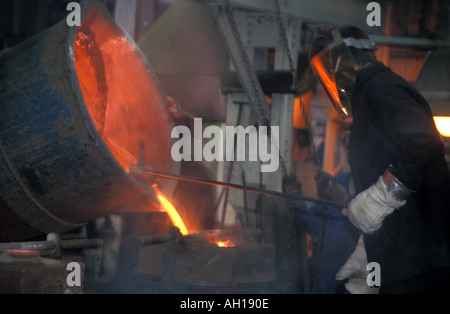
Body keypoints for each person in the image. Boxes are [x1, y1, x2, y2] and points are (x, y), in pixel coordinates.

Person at [309, 25, 450, 294]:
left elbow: (423, 141)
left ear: (340, 62)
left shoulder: (380, 89)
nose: (326, 81)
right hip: (408, 261)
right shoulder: (374, 93)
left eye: (326, 71)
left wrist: (380, 197)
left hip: (421, 266)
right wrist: (372, 248)